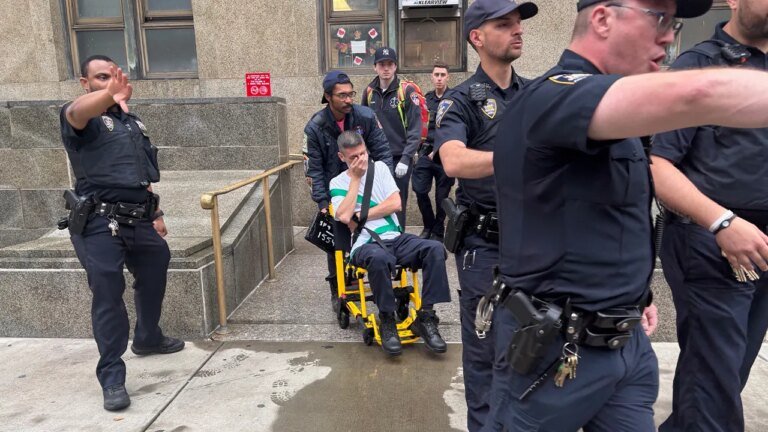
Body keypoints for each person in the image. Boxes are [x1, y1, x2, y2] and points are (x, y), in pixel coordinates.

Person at [479, 0, 768, 429]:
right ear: (602, 19)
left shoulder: (618, 120)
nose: (669, 37)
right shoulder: (554, 94)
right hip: (553, 354)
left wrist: (635, 296)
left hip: (624, 347)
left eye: (674, 24)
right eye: (660, 19)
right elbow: (698, 94)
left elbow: (608, 214)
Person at [650, 1, 768, 430]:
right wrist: (723, 222)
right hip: (713, 240)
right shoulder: (698, 67)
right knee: (715, 381)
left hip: (761, 244)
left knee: (725, 374)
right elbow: (656, 164)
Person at [432, 1, 537, 430]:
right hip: (485, 248)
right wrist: (517, 157)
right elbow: (453, 160)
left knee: (533, 349)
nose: (518, 30)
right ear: (477, 37)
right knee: (485, 356)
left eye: (519, 23)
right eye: (505, 24)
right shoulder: (461, 100)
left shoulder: (534, 94)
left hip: (534, 244)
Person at [60, 55, 185, 411]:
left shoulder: (131, 122)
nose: (109, 83)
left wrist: (155, 213)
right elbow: (77, 112)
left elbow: (140, 173)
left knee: (157, 261)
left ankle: (147, 337)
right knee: (108, 292)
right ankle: (112, 376)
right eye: (101, 77)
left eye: (114, 77)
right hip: (99, 223)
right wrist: (108, 95)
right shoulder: (81, 118)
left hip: (138, 218)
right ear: (85, 83)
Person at [330, 131, 451, 357]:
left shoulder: (380, 169)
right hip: (365, 243)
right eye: (354, 157)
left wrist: (361, 214)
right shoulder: (337, 182)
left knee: (434, 249)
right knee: (379, 258)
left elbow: (395, 204)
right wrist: (355, 179)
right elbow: (344, 216)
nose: (361, 160)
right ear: (342, 157)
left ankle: (426, 316)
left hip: (395, 237)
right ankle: (387, 318)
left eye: (363, 153)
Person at [302, 70, 393, 305]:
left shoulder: (366, 116)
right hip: (337, 190)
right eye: (342, 95)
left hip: (367, 186)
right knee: (337, 243)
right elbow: (314, 169)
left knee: (378, 234)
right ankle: (338, 289)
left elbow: (383, 152)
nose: (348, 99)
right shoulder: (314, 128)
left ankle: (380, 281)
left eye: (351, 94)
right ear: (327, 96)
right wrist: (323, 202)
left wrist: (385, 184)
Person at [362, 47, 423, 228]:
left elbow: (415, 129)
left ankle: (398, 238)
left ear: (396, 66)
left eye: (390, 64)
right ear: (375, 67)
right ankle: (381, 237)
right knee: (376, 202)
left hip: (399, 159)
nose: (386, 68)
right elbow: (362, 126)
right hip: (376, 158)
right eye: (382, 64)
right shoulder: (369, 92)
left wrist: (406, 158)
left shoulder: (406, 91)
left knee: (397, 204)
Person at [412, 62, 455, 242]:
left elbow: (454, 129)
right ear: (431, 77)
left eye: (442, 75)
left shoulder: (454, 99)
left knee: (441, 196)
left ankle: (438, 231)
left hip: (445, 155)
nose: (439, 78)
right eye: (436, 75)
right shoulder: (426, 99)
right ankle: (428, 225)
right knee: (419, 190)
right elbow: (418, 124)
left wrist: (438, 149)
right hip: (425, 153)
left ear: (448, 77)